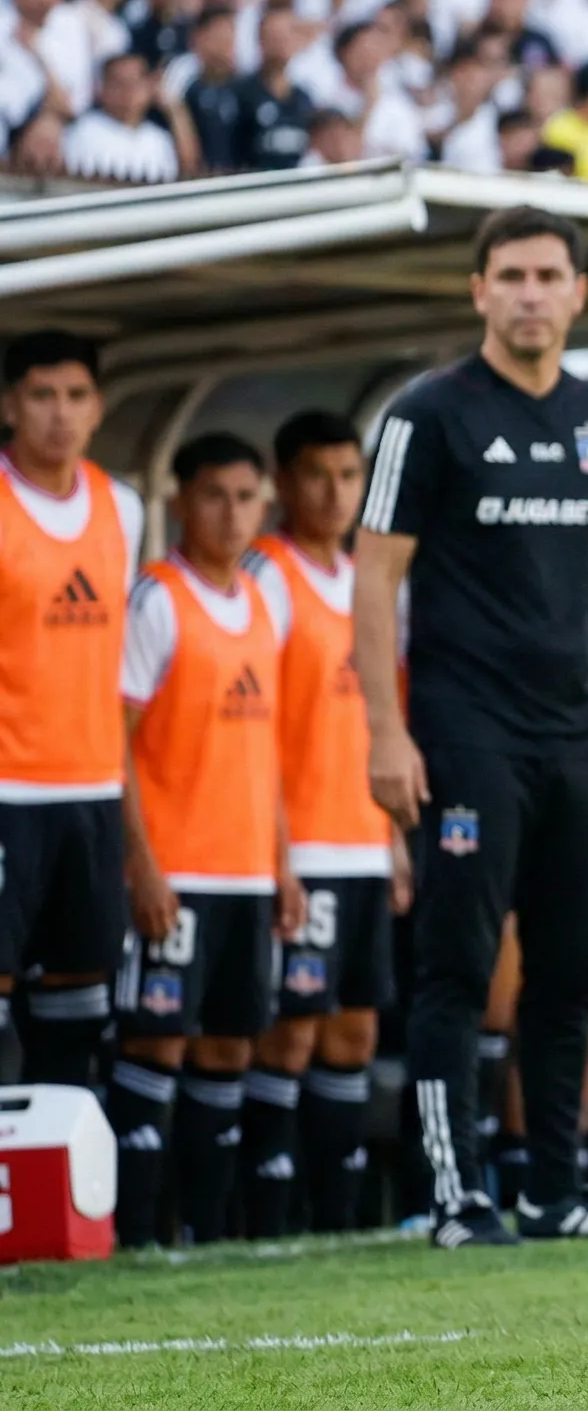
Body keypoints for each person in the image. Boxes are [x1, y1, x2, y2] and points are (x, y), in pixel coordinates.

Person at [353, 204, 588, 1248]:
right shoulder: (426, 413)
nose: (531, 293)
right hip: (464, 728)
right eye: (512, 275)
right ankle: (454, 1191)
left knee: (574, 965)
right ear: (478, 290)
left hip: (580, 734)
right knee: (455, 961)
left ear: (578, 292)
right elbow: (373, 580)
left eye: (548, 275)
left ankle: (556, 1186)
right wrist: (387, 730)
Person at [109, 433, 305, 1247]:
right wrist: (143, 866)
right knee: (157, 1045)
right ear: (182, 502)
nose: (232, 513)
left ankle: (208, 1234)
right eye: (215, 496)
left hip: (247, 873)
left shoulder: (267, 599)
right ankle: (137, 1234)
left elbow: (267, 752)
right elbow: (112, 741)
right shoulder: (155, 599)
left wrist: (282, 865)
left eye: (245, 496)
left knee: (230, 1049)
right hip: (177, 872)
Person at [238, 412, 411, 1236]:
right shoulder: (265, 575)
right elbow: (250, 727)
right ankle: (266, 1226)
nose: (336, 493)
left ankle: (337, 1226)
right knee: (288, 1037)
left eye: (350, 476)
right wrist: (275, 852)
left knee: (354, 1032)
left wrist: (395, 838)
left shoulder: (369, 577)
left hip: (364, 841)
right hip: (297, 843)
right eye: (318, 475)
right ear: (284, 479)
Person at [0, 332, 144, 1088]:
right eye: (42, 395)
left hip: (90, 795)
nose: (60, 414)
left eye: (77, 396)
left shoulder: (122, 507)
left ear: (97, 408)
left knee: (77, 1012)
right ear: (10, 404)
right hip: (8, 795)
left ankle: (57, 1201)